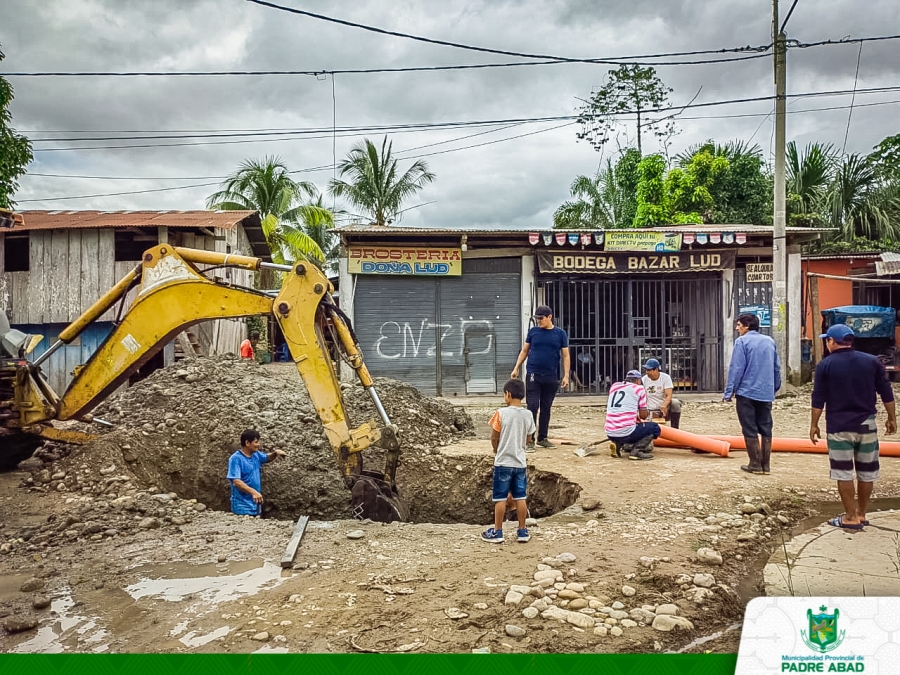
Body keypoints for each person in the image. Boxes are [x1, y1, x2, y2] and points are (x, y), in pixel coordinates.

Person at [810, 324, 896, 530]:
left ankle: (850, 517)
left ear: (831, 341)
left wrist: (814, 424)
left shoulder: (826, 365)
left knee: (843, 472)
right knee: (867, 471)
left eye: (827, 340)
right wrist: (892, 418)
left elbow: (818, 398)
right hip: (867, 423)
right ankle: (862, 513)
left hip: (839, 426)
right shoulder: (871, 361)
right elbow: (886, 391)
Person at [723, 313, 781, 475]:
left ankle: (755, 463)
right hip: (765, 391)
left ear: (746, 326)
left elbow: (736, 369)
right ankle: (766, 465)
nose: (737, 328)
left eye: (738, 324)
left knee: (749, 427)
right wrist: (774, 387)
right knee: (766, 426)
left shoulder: (742, 342)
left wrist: (729, 392)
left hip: (746, 392)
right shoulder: (769, 341)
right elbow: (777, 367)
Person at [482, 379, 536, 544]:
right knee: (520, 497)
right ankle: (522, 531)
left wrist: (497, 450)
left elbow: (494, 436)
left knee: (500, 498)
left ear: (508, 394)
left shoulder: (500, 413)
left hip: (503, 463)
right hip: (519, 463)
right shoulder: (528, 414)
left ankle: (497, 532)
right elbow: (529, 438)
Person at [511, 305, 569, 449]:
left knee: (546, 407)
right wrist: (516, 367)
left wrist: (566, 375)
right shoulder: (533, 332)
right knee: (532, 406)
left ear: (550, 317)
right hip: (533, 375)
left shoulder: (560, 334)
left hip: (551, 376)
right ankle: (529, 439)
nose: (539, 321)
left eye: (541, 318)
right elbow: (525, 350)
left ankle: (542, 438)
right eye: (537, 319)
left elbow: (566, 355)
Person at [227, 429, 286, 516]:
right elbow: (236, 481)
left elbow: (267, 458)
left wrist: (275, 453)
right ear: (247, 443)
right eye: (256, 442)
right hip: (242, 507)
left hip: (255, 503)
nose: (258, 444)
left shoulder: (256, 454)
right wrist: (253, 492)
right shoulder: (235, 459)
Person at [605, 370, 661, 460]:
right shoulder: (639, 389)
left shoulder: (614, 386)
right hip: (626, 432)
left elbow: (624, 406)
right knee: (654, 428)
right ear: (638, 381)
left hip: (610, 432)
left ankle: (617, 444)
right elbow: (643, 416)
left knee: (626, 427)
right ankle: (636, 451)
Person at [641, 358, 682, 429]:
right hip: (649, 410)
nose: (647, 372)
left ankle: (675, 428)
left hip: (663, 409)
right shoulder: (644, 379)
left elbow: (669, 395)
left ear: (656, 370)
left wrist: (664, 406)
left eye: (649, 370)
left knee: (675, 403)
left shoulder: (665, 378)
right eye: (646, 370)